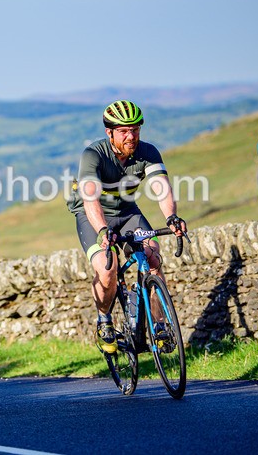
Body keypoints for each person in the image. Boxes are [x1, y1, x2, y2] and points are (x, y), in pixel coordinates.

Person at [67, 100, 187, 355]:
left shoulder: (148, 152)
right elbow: (90, 198)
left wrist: (172, 217)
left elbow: (161, 187)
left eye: (135, 130)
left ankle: (160, 326)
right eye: (123, 131)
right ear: (109, 132)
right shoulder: (93, 154)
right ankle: (104, 320)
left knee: (153, 257)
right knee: (107, 268)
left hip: (127, 212)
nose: (131, 136)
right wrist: (102, 230)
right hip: (93, 214)